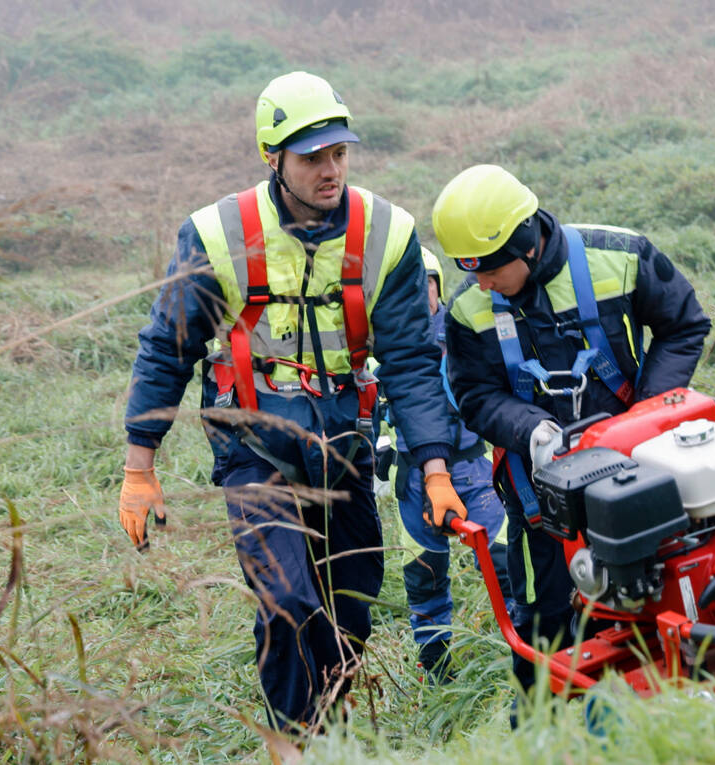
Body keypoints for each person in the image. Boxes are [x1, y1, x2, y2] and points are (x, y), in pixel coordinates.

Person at [116, 71, 466, 732]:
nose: (330, 170)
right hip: (253, 448)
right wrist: (140, 468)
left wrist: (436, 467)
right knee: (287, 600)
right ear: (272, 158)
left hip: (344, 446)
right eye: (312, 158)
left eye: (340, 153)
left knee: (352, 601)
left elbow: (412, 364)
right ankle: (290, 740)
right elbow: (168, 347)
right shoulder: (218, 234)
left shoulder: (386, 234)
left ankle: (330, 727)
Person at [432, 164, 711, 699]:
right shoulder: (470, 310)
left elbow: (685, 324)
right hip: (542, 501)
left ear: (527, 242)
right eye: (470, 270)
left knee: (654, 591)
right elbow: (473, 395)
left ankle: (664, 709)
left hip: (641, 473)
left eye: (490, 269)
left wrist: (649, 415)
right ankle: (547, 730)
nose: (481, 283)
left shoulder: (622, 256)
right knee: (546, 626)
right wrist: (531, 429)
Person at [379, 248, 510, 682]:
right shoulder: (385, 346)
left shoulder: (462, 332)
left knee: (504, 557)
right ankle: (436, 668)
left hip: (472, 468)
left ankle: (524, 649)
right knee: (424, 574)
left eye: (428, 285)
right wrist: (376, 443)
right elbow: (372, 403)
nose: (420, 296)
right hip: (413, 477)